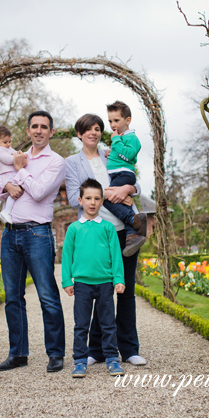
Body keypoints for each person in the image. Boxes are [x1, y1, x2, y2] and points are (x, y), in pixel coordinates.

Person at [64, 113, 147, 367]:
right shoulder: (71, 162)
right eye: (88, 129)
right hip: (96, 233)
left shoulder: (109, 153)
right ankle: (97, 351)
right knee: (99, 292)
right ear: (79, 134)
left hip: (125, 230)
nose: (94, 133)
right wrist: (104, 194)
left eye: (98, 129)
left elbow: (132, 179)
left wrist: (127, 190)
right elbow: (70, 198)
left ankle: (129, 349)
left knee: (126, 290)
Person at [0, 110, 66, 373]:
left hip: (37, 234)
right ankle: (18, 354)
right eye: (34, 126)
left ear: (51, 132)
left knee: (47, 295)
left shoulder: (56, 162)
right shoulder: (16, 156)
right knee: (13, 297)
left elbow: (37, 192)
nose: (38, 130)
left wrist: (20, 173)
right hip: (10, 233)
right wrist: (6, 188)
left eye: (43, 127)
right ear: (27, 131)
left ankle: (55, 353)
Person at [62, 179, 126, 378]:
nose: (92, 202)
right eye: (88, 198)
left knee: (108, 324)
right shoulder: (73, 229)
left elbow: (116, 255)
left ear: (101, 202)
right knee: (81, 325)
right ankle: (80, 361)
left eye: (97, 198)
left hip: (105, 283)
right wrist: (66, 281)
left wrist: (118, 279)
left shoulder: (108, 228)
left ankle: (112, 359)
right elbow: (66, 256)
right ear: (80, 201)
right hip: (82, 284)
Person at [104, 101, 147, 257]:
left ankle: (134, 220)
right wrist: (111, 152)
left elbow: (128, 154)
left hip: (124, 174)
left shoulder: (133, 138)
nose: (112, 124)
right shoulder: (121, 138)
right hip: (119, 173)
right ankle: (132, 233)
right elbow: (121, 154)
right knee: (116, 199)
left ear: (127, 120)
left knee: (107, 198)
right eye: (110, 121)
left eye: (116, 120)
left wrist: (115, 141)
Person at [0, 125, 22, 224]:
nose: (8, 144)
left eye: (9, 141)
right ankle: (7, 212)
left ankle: (5, 213)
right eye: (5, 142)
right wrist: (18, 158)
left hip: (10, 174)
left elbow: (15, 152)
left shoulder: (6, 148)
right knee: (14, 193)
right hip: (6, 176)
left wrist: (19, 153)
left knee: (9, 196)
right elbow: (8, 159)